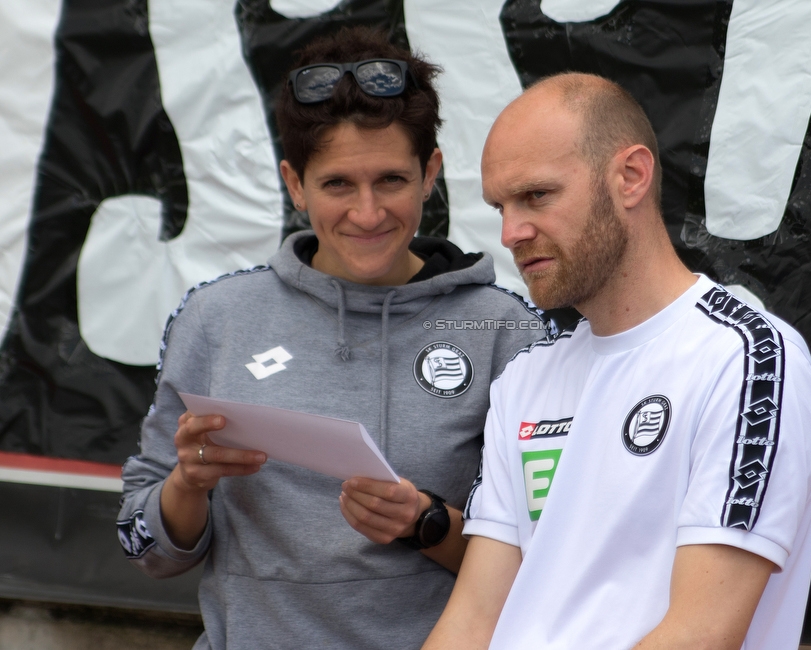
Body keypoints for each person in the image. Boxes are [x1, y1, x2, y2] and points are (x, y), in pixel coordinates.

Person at [116, 28, 549, 650]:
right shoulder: (217, 319)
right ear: (295, 184)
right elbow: (142, 547)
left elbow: (552, 561)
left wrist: (430, 524)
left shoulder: (501, 330)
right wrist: (188, 484)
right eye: (338, 184)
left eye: (391, 181)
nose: (367, 213)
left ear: (431, 174)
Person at [423, 73, 811, 649]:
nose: (512, 232)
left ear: (630, 177)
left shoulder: (744, 359)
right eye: (500, 206)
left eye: (536, 195)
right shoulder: (527, 378)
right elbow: (472, 621)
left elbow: (701, 634)